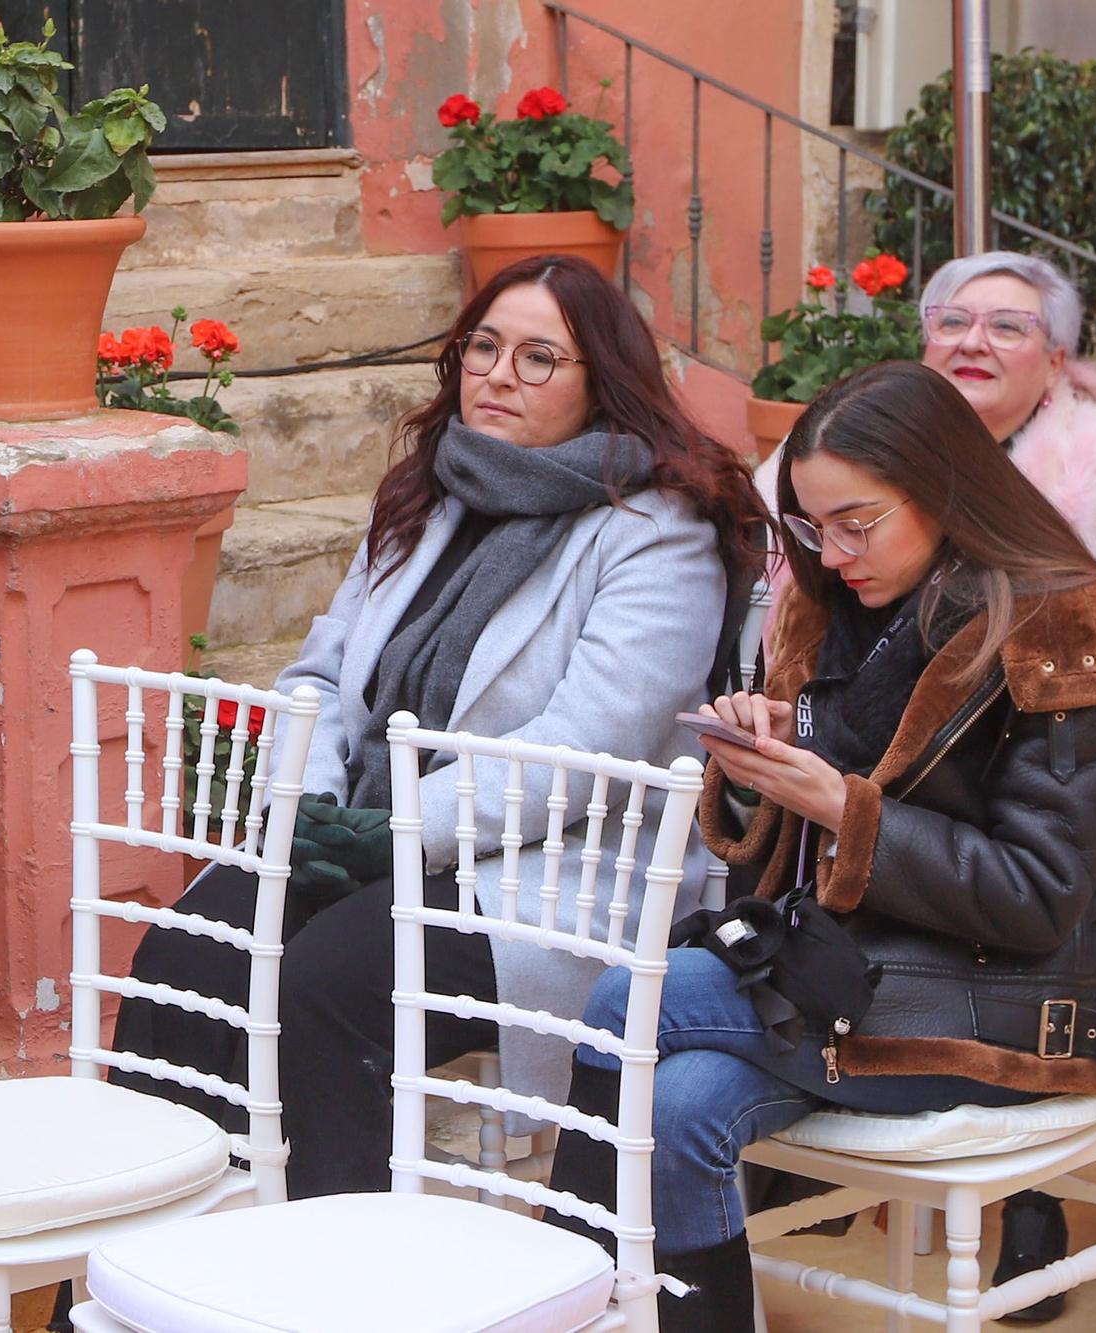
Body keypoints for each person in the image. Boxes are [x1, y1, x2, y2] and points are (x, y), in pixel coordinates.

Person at [108, 254, 769, 1199]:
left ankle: (350, 1274)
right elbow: (324, 678)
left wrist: (396, 834)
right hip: (367, 842)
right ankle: (165, 1253)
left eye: (539, 358)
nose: (498, 374)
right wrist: (315, 810)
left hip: (536, 876)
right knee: (190, 946)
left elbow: (582, 752)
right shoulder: (427, 495)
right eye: (484, 347)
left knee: (332, 980)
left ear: (604, 384)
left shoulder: (655, 531)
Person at [544, 360, 1096, 1330]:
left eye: (854, 524)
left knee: (628, 1000)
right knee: (680, 1106)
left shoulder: (1058, 613)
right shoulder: (825, 610)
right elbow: (773, 869)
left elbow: (1040, 895)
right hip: (843, 972)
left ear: (942, 485)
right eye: (810, 529)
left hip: (1015, 1007)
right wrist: (755, 771)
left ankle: (557, 1305)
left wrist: (840, 804)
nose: (829, 553)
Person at [755, 250, 1096, 622]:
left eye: (1006, 326)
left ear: (1055, 363)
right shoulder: (841, 439)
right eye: (952, 321)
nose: (972, 343)